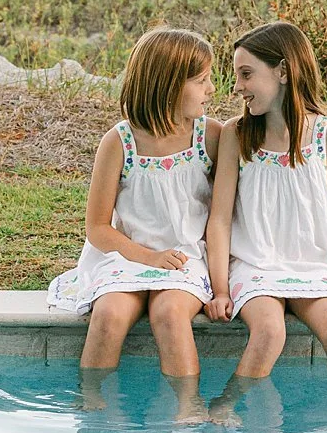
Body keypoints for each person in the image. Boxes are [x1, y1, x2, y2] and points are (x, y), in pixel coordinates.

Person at [204, 20, 327, 380]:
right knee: (270, 332)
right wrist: (221, 290)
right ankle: (226, 408)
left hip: (311, 266)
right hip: (254, 264)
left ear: (284, 71)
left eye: (246, 74)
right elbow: (220, 219)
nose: (237, 87)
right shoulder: (236, 135)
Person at [49, 26, 219, 403]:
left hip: (184, 258)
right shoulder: (119, 142)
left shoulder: (210, 137)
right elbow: (97, 228)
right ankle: (95, 410)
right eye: (202, 81)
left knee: (171, 315)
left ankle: (186, 409)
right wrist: (147, 257)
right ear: (170, 84)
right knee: (108, 315)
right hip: (127, 255)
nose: (211, 90)